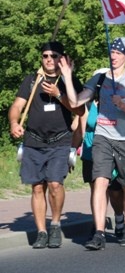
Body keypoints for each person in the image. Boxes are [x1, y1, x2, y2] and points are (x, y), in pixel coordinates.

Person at [61, 37, 125, 250]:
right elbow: (76, 102)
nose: (114, 56)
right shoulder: (99, 79)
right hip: (102, 137)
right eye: (112, 52)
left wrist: (123, 106)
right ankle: (99, 232)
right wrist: (67, 76)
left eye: (118, 53)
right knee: (100, 182)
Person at [8, 42, 84, 249]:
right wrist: (14, 123)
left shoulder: (69, 80)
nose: (49, 59)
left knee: (55, 184)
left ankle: (56, 224)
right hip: (33, 141)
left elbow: (79, 110)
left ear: (61, 58)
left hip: (59, 140)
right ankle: (41, 231)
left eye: (53, 55)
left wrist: (59, 95)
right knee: (37, 187)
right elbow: (17, 106)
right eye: (45, 56)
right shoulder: (32, 80)